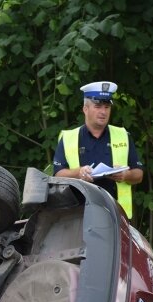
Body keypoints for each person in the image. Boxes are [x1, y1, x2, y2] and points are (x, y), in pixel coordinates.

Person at [52, 81, 143, 218]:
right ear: (85, 109)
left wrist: (126, 175)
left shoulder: (123, 135)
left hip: (116, 216)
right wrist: (79, 172)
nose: (103, 112)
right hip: (77, 215)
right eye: (98, 106)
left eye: (107, 107)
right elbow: (58, 176)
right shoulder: (68, 137)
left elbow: (139, 175)